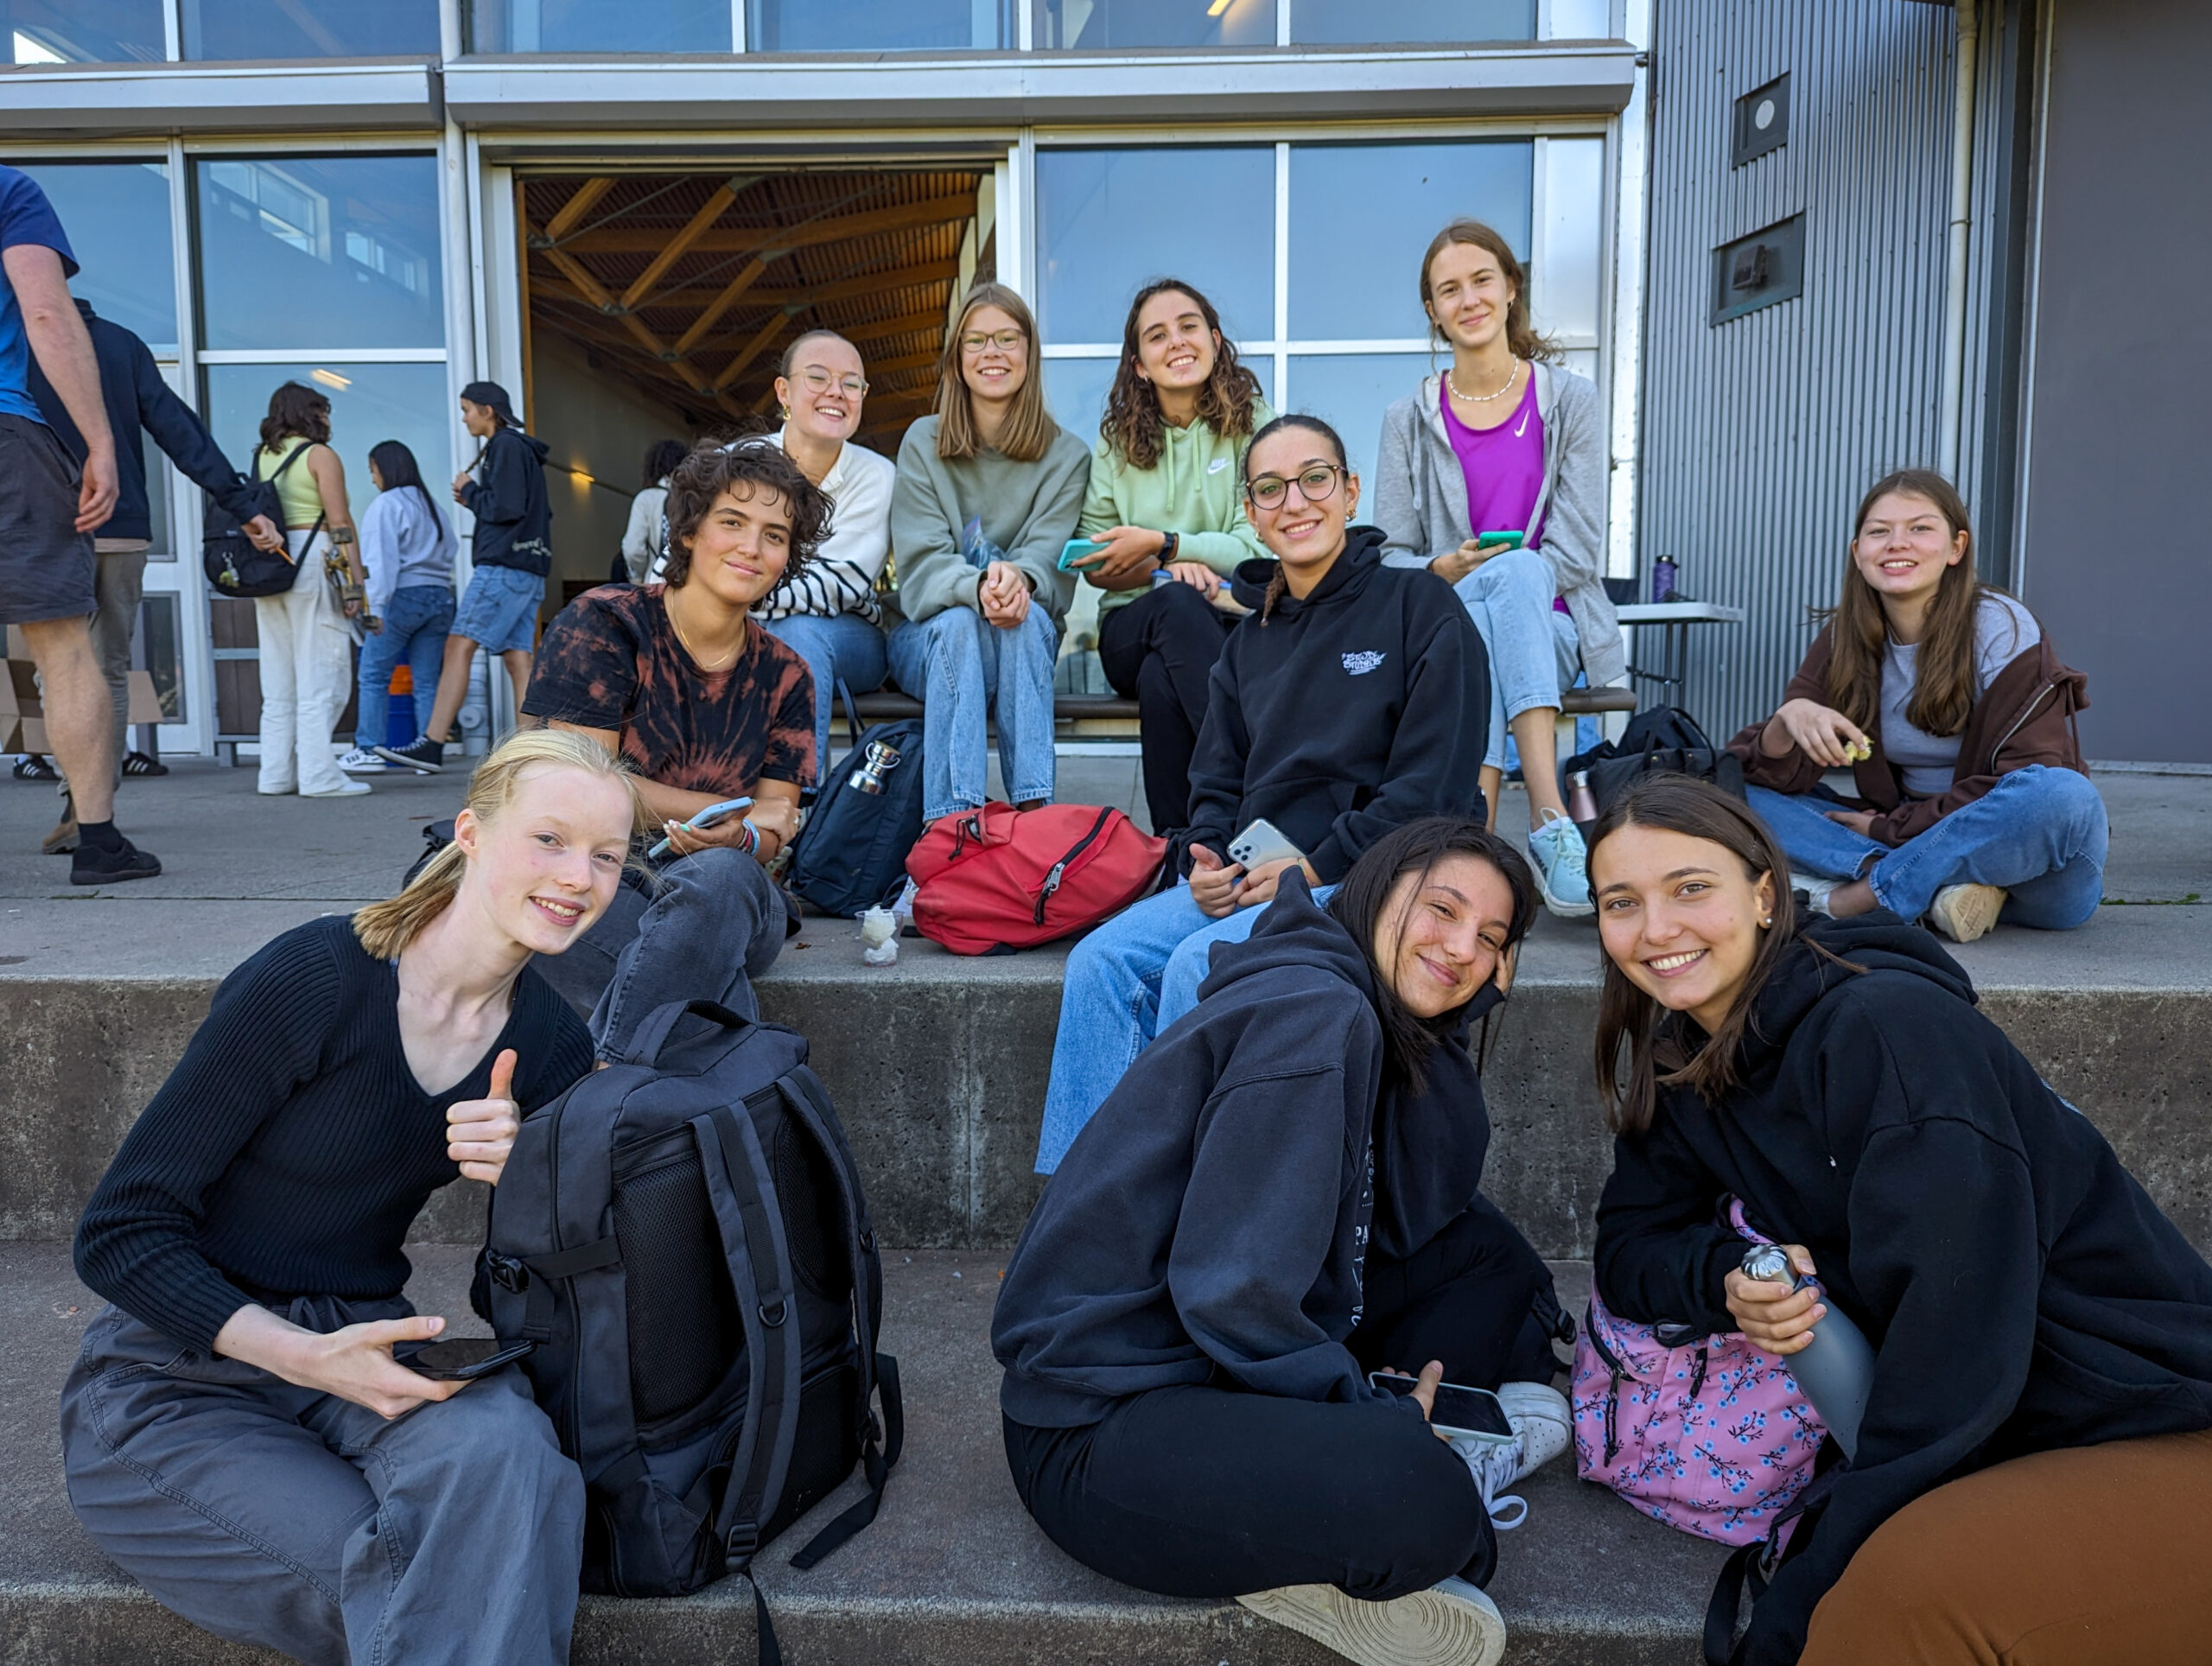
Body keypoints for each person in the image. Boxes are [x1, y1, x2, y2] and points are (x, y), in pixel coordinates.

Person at [1585, 774, 2212, 1666]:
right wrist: (1726, 1272)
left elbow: (1958, 1349)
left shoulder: (1887, 1030)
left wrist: (1814, 1575)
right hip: (1997, 1423)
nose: (1656, 929)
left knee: (1878, 1611)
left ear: (1764, 894)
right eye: (1621, 901)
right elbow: (1626, 1248)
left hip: (2145, 1418)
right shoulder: (1689, 1056)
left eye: (1690, 887)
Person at [62, 728, 638, 1666]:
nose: (579, 875)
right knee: (456, 1570)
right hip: (173, 1373)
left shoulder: (547, 1042)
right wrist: (302, 1355)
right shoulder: (315, 978)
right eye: (550, 839)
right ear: (471, 834)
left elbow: (577, 1256)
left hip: (365, 1341)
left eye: (606, 855)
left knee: (515, 1455)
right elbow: (119, 1234)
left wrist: (531, 1165)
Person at [997, 820, 1567, 1666]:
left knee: (1497, 1262)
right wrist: (1366, 1417)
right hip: (1099, 1423)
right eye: (1441, 910)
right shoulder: (1315, 1014)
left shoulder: (1346, 987)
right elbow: (1233, 1291)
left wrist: (1464, 997)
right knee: (1427, 1502)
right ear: (1376, 889)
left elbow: (1422, 1202)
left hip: (1202, 1358)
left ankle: (1304, 1499)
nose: (1459, 947)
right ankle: (1304, 1537)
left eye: (1490, 940)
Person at [1035, 413, 1488, 1173]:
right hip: (1260, 870)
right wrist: (1207, 856)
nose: (1295, 502)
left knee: (1196, 964)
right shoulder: (1247, 643)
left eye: (1315, 479)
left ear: (1348, 492)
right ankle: (1083, 1213)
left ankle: (1185, 1205)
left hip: (1374, 867)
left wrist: (1308, 869)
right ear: (1250, 513)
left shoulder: (1420, 610)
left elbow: (1433, 791)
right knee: (1101, 961)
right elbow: (1215, 782)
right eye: (1271, 488)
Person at [521, 434, 823, 1040]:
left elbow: (773, 831)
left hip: (726, 892)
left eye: (774, 535)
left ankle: (612, 1084)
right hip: (592, 870)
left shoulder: (789, 674)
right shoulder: (606, 624)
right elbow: (582, 791)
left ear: (788, 558)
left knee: (722, 879)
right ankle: (641, 1089)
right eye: (732, 521)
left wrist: (742, 838)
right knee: (688, 968)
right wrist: (734, 813)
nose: (751, 547)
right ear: (687, 532)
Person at [1726, 468, 2107, 945]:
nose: (1896, 543)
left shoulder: (2004, 630)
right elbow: (1772, 778)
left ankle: (1860, 897)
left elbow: (2031, 773)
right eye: (1879, 531)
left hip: (2028, 874)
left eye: (1920, 528)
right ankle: (1935, 890)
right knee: (1717, 788)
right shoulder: (1845, 638)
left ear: (1956, 548)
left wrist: (1891, 827)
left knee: (2061, 795)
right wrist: (1787, 722)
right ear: (1857, 552)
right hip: (1900, 836)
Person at [1374, 217, 1624, 920]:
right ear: (1433, 310)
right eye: (1448, 289)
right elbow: (1393, 554)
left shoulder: (1568, 400)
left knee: (1513, 582)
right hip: (1450, 619)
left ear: (1511, 288)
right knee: (1482, 609)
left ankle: (1474, 834)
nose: (1468, 298)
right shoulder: (1407, 418)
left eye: (1482, 280)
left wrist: (1493, 576)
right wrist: (1445, 566)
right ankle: (1551, 825)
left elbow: (1576, 551)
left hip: (1556, 625)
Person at [26, 294, 283, 847]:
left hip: (45, 526)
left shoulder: (20, 339)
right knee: (109, 670)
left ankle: (78, 797)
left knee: (57, 670)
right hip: (120, 526)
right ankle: (98, 809)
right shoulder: (122, 344)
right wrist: (243, 507)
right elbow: (180, 432)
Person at [0, 164, 161, 883]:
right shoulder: (10, 190)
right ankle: (97, 843)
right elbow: (45, 313)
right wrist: (99, 440)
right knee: (63, 647)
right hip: (9, 437)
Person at [1070, 278, 1270, 833]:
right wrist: (1165, 568)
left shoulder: (1255, 422)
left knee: (1165, 681)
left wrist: (1166, 543)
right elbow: (1096, 562)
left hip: (1230, 626)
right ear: (1139, 364)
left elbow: (1259, 543)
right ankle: (1253, 786)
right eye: (1157, 336)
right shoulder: (1116, 442)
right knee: (1176, 608)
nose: (1176, 343)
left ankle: (1181, 849)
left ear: (1214, 337)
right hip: (1130, 630)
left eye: (1188, 327)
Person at [887, 281, 1090, 823]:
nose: (992, 353)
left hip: (1020, 643)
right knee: (958, 625)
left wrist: (1015, 583)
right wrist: (977, 588)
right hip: (929, 640)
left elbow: (1049, 559)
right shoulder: (923, 443)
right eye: (976, 341)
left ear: (1029, 352)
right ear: (956, 359)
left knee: (1021, 622)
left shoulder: (1067, 455)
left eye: (1007, 338)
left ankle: (1034, 818)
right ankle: (951, 828)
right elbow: (922, 564)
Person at [378, 380, 551, 773]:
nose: (463, 418)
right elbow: (520, 508)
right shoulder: (523, 451)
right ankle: (532, 754)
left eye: (467, 409)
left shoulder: (504, 447)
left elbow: (506, 508)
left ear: (488, 411)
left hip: (503, 567)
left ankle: (432, 743)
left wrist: (471, 492)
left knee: (458, 646)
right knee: (518, 658)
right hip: (530, 568)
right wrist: (478, 497)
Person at [755, 329, 897, 774]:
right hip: (742, 627)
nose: (836, 392)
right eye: (817, 377)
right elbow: (674, 572)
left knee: (799, 634)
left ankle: (799, 809)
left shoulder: (878, 475)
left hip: (850, 636)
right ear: (784, 391)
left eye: (851, 383)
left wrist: (733, 595)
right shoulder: (738, 463)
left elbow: (839, 584)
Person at [250, 380, 369, 799]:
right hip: (312, 558)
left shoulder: (263, 456)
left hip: (271, 561)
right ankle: (320, 776)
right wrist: (355, 586)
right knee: (323, 670)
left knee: (278, 677)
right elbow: (340, 522)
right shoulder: (320, 456)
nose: (328, 418)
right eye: (323, 410)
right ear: (311, 413)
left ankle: (276, 774)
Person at [337, 441, 457, 774]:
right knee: (427, 680)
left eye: (373, 471)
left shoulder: (387, 504)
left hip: (403, 597)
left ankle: (369, 749)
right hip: (439, 597)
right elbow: (451, 550)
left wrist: (373, 608)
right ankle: (427, 752)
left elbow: (381, 562)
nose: (373, 480)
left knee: (374, 674)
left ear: (385, 469)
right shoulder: (434, 506)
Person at [622, 436, 685, 584]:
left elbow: (633, 549)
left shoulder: (645, 499)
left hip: (654, 583)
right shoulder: (690, 499)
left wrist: (637, 577)